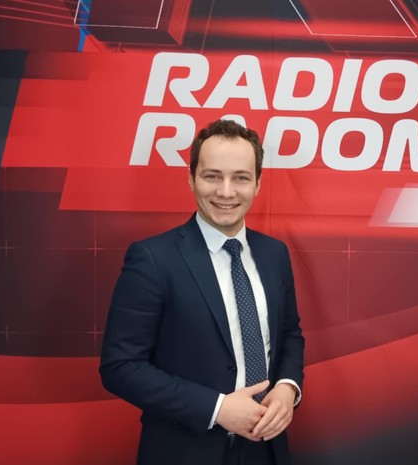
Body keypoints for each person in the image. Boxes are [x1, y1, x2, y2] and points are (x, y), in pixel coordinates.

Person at [100, 119, 305, 465]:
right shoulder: (152, 259)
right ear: (191, 178)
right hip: (186, 451)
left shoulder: (275, 254)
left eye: (240, 178)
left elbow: (289, 334)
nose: (226, 192)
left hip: (267, 449)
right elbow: (121, 367)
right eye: (212, 176)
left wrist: (287, 386)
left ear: (257, 183)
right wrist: (217, 408)